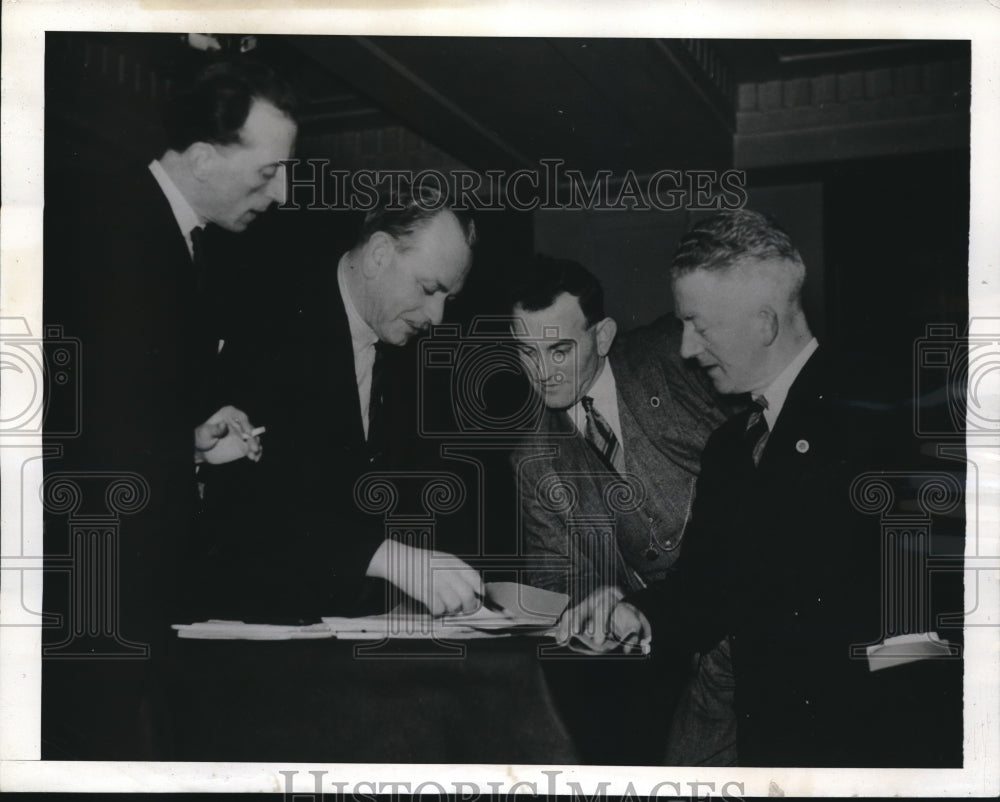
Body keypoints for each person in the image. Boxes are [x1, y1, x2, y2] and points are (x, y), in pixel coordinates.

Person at [590, 209, 962, 766]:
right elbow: (706, 589)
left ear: (764, 323)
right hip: (773, 750)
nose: (688, 348)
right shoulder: (730, 448)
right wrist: (636, 613)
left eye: (699, 324)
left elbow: (930, 611)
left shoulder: (881, 417)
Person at [42, 58, 298, 758]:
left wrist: (187, 441)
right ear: (204, 158)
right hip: (92, 590)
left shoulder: (170, 239)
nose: (279, 193)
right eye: (269, 171)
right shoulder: (112, 230)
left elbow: (115, 409)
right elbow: (71, 433)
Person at [190, 182, 484, 622]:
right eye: (428, 288)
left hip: (359, 626)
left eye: (449, 298)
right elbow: (255, 504)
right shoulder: (269, 323)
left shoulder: (416, 357)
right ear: (379, 254)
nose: (437, 316)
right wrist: (391, 559)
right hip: (261, 621)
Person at [507, 256, 737, 765]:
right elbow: (558, 583)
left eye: (559, 349)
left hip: (757, 615)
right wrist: (591, 611)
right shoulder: (532, 459)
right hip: (674, 658)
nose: (541, 372)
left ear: (603, 336)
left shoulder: (675, 355)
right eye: (526, 351)